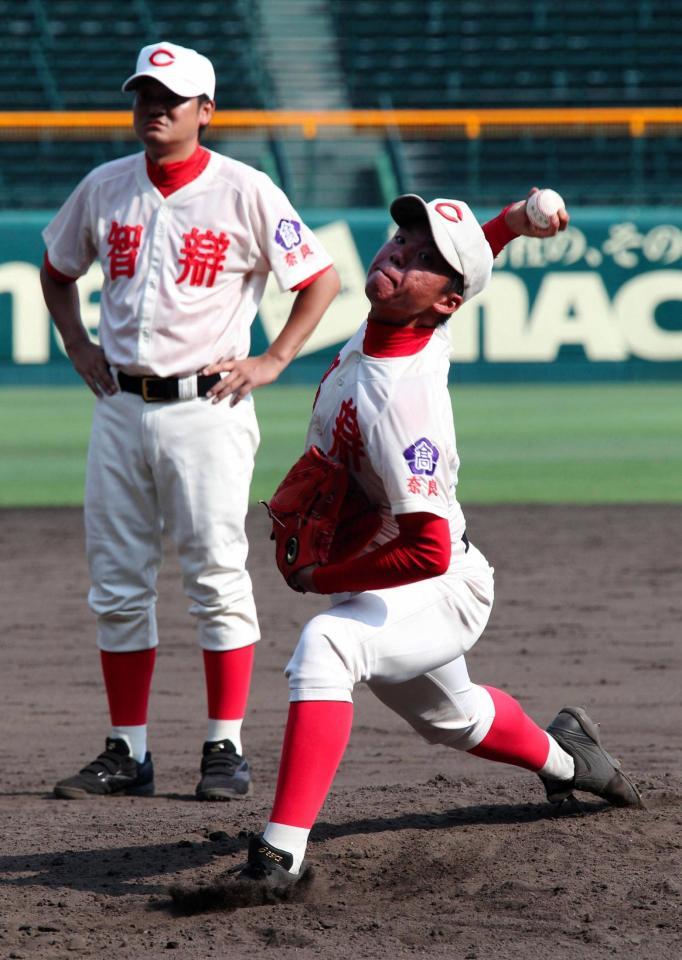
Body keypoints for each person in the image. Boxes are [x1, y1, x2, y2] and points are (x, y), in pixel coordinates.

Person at [216, 191, 641, 893]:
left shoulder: (406, 402)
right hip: (380, 576)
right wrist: (511, 224)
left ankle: (278, 856)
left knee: (328, 645)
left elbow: (429, 551)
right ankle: (573, 760)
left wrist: (322, 581)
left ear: (443, 302)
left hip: (439, 586)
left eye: (420, 262)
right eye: (399, 242)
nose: (397, 258)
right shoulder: (402, 319)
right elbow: (462, 268)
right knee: (459, 718)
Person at [40, 41, 340, 801]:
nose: (155, 108)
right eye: (145, 93)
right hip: (119, 407)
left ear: (206, 110)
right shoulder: (105, 187)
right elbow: (56, 268)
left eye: (171, 97)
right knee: (116, 583)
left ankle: (224, 747)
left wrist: (273, 359)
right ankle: (127, 750)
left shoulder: (245, 189)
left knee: (215, 575)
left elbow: (321, 278)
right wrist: (77, 341)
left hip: (208, 408)